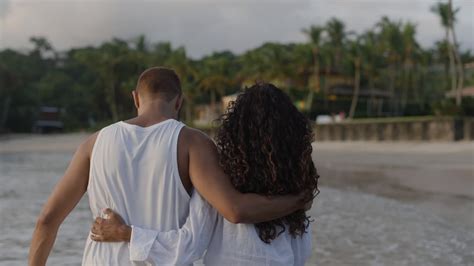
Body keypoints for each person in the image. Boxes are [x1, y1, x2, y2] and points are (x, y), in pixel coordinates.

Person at [28, 68, 310, 266]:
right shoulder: (193, 144)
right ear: (179, 101)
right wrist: (297, 199)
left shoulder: (93, 143)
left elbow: (47, 220)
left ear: (135, 98)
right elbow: (233, 208)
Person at [90, 83, 320, 265]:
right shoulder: (297, 181)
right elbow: (301, 250)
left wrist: (126, 233)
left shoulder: (222, 175)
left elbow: (188, 246)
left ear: (235, 131)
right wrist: (299, 200)